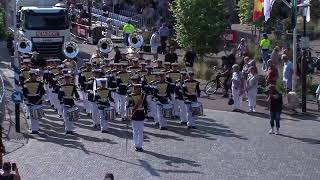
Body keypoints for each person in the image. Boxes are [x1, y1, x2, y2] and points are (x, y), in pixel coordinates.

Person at [22, 69, 46, 134]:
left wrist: (42, 97)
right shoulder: (26, 82)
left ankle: (35, 129)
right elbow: (24, 92)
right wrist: (25, 99)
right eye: (34, 75)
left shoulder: (40, 83)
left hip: (37, 101)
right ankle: (35, 128)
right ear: (31, 75)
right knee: (32, 116)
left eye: (36, 75)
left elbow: (43, 92)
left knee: (35, 116)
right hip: (30, 101)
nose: (36, 77)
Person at [128, 84, 147, 152]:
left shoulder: (143, 95)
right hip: (134, 113)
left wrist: (146, 111)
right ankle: (136, 145)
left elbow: (145, 104)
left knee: (141, 131)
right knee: (135, 131)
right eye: (135, 88)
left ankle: (140, 145)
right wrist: (130, 110)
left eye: (138, 88)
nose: (136, 90)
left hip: (141, 113)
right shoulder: (131, 95)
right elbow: (129, 104)